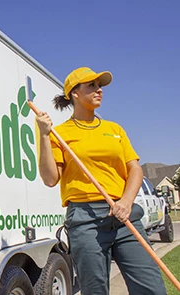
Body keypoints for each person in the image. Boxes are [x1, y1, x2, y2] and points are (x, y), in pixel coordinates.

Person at [35, 67, 167, 295]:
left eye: (100, 86)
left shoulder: (114, 129)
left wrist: (126, 201)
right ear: (74, 93)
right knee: (95, 291)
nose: (99, 90)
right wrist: (45, 136)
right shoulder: (60, 134)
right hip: (86, 220)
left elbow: (134, 169)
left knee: (152, 288)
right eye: (92, 86)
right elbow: (50, 179)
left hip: (124, 216)